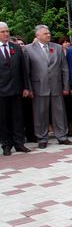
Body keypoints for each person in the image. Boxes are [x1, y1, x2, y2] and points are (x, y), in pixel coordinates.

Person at [24, 25, 72, 148]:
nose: (48, 35)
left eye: (49, 33)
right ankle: (42, 138)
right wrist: (29, 88)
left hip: (56, 85)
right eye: (45, 33)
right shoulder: (28, 49)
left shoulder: (57, 48)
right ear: (37, 35)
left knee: (59, 112)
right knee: (40, 113)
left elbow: (64, 68)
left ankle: (62, 136)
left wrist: (66, 86)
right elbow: (26, 71)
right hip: (38, 86)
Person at [0, 21, 31, 155]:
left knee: (18, 118)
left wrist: (26, 87)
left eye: (7, 31)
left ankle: (19, 143)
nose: (6, 34)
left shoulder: (16, 48)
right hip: (1, 91)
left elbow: (23, 69)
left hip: (16, 89)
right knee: (3, 119)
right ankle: (6, 145)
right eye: (3, 32)